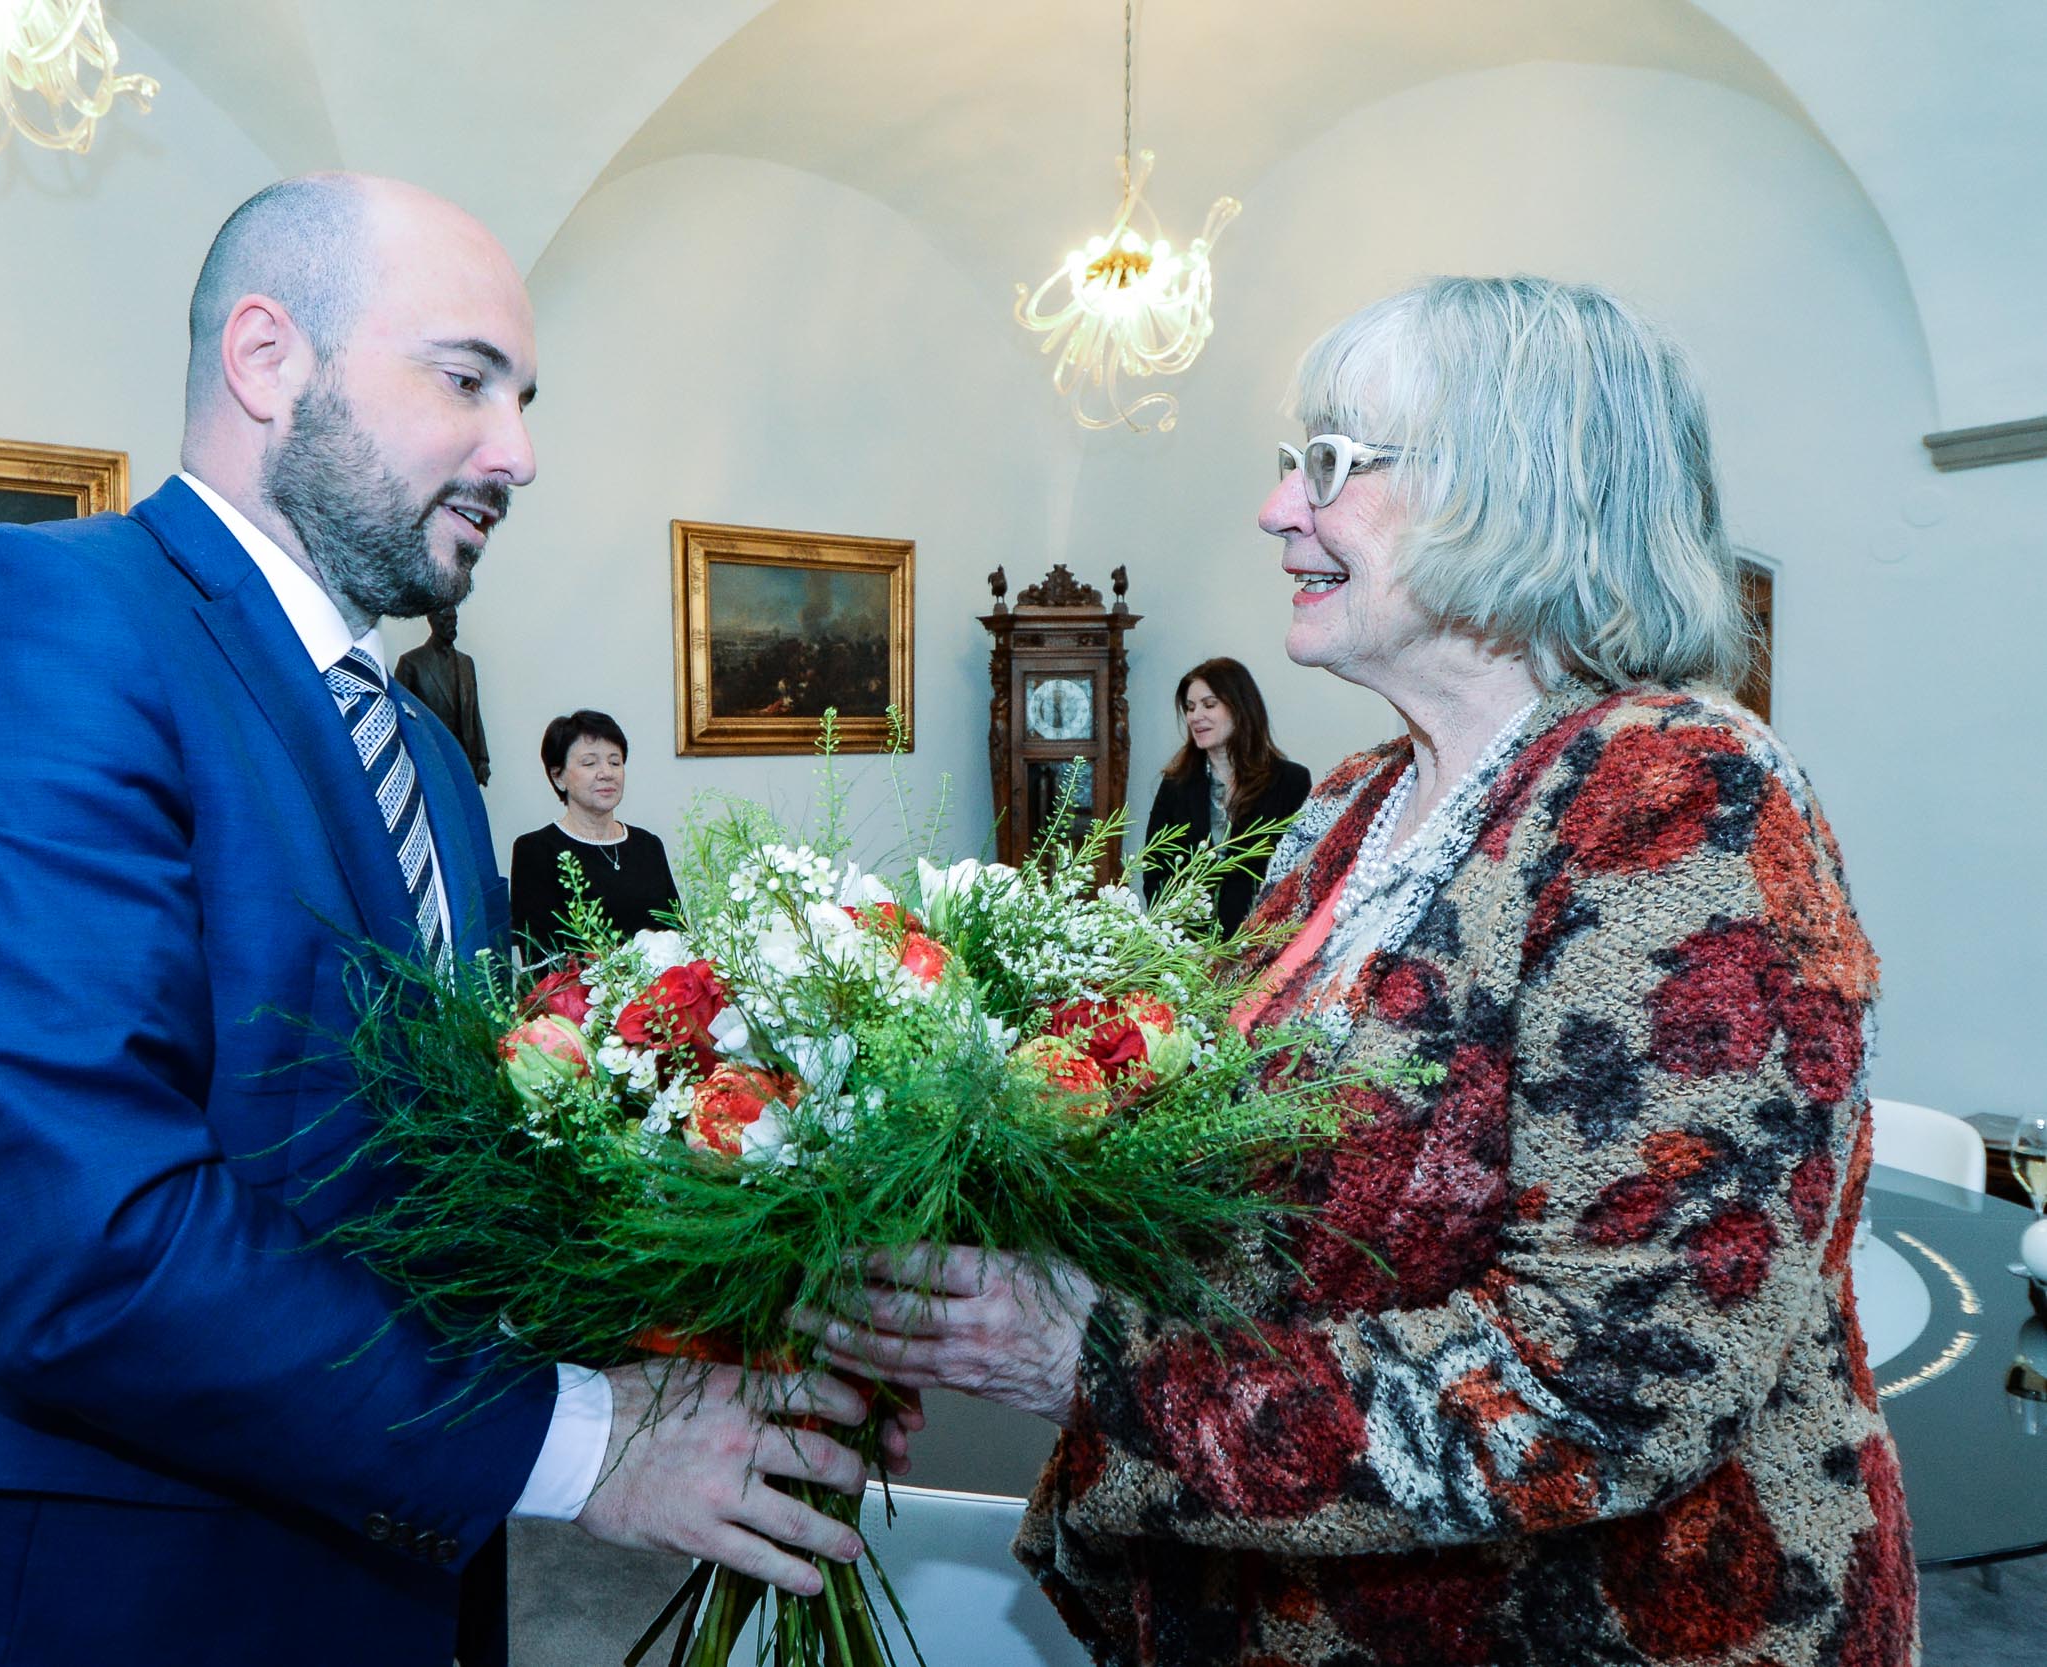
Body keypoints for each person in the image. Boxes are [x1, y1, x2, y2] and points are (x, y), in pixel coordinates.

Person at [0, 175, 902, 1667]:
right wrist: (581, 1438)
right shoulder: (29, 621)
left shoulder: (416, 748)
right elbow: (83, 1243)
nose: (520, 452)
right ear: (269, 358)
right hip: (95, 1592)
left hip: (387, 1563)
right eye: (467, 379)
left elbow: (427, 1180)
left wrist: (718, 1291)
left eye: (526, 396)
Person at [802, 277, 1912, 1666]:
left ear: (1518, 494)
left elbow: (1613, 1387)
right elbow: (1259, 1200)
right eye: (1290, 464)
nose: (1277, 509)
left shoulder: (1681, 799)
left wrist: (1094, 1364)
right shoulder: (1347, 808)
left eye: (1329, 463)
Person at [1138, 657, 1311, 933]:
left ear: (1240, 708)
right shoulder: (1176, 784)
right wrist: (1182, 938)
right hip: (1188, 953)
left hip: (1261, 944)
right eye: (1190, 708)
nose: (1195, 717)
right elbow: (1155, 871)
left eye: (1209, 705)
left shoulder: (1290, 781)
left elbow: (1297, 871)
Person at [509, 709, 679, 959]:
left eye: (615, 762)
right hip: (579, 994)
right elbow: (540, 958)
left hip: (658, 995)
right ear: (559, 777)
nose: (606, 773)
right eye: (589, 763)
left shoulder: (648, 845)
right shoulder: (536, 850)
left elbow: (676, 936)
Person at [394, 604, 491, 786]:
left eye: (454, 619)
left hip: (466, 763)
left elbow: (474, 714)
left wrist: (482, 759)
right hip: (431, 763)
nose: (452, 624)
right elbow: (401, 722)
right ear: (432, 621)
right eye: (446, 619)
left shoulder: (466, 663)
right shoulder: (411, 663)